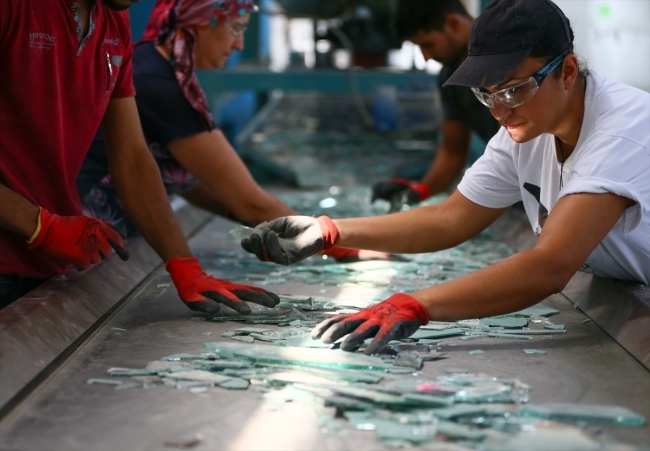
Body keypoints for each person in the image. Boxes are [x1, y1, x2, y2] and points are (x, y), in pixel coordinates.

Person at [241, 0, 650, 355]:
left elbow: (548, 266)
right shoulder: (524, 130)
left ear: (568, 71)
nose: (498, 111)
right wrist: (329, 231)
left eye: (513, 90)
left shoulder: (619, 133)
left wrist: (416, 304)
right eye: (486, 94)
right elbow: (451, 218)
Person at [0, 0, 280, 315]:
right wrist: (40, 226)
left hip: (47, 260)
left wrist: (184, 264)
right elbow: (249, 203)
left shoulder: (113, 20)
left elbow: (133, 157)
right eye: (235, 28)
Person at [76, 0, 399, 265]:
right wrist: (340, 247)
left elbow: (188, 180)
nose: (239, 44)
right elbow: (251, 204)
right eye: (235, 28)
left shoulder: (158, 67)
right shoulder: (160, 85)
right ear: (200, 21)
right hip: (82, 239)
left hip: (102, 236)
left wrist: (250, 216)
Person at [371, 0, 500, 207]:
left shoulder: (507, 59)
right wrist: (419, 191)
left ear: (453, 24)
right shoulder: (450, 77)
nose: (426, 57)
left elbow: (517, 149)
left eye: (427, 44)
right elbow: (453, 152)